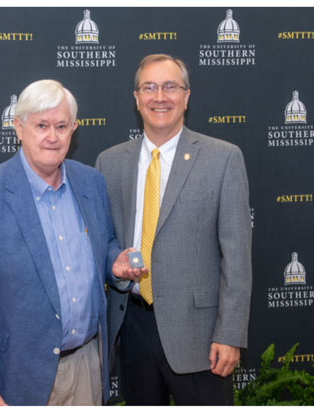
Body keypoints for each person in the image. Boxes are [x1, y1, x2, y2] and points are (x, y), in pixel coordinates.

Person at [0, 79, 144, 406]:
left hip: (86, 367)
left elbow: (103, 243)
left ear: (74, 129)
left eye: (61, 126)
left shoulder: (90, 182)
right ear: (18, 128)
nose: (52, 136)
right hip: (15, 376)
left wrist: (114, 265)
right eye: (41, 125)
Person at [95, 54, 252, 405]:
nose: (159, 97)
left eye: (170, 87)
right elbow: (104, 241)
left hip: (200, 336)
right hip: (132, 326)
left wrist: (229, 335)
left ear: (186, 95)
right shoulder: (110, 162)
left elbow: (237, 257)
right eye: (149, 87)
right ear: (136, 98)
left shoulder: (223, 158)